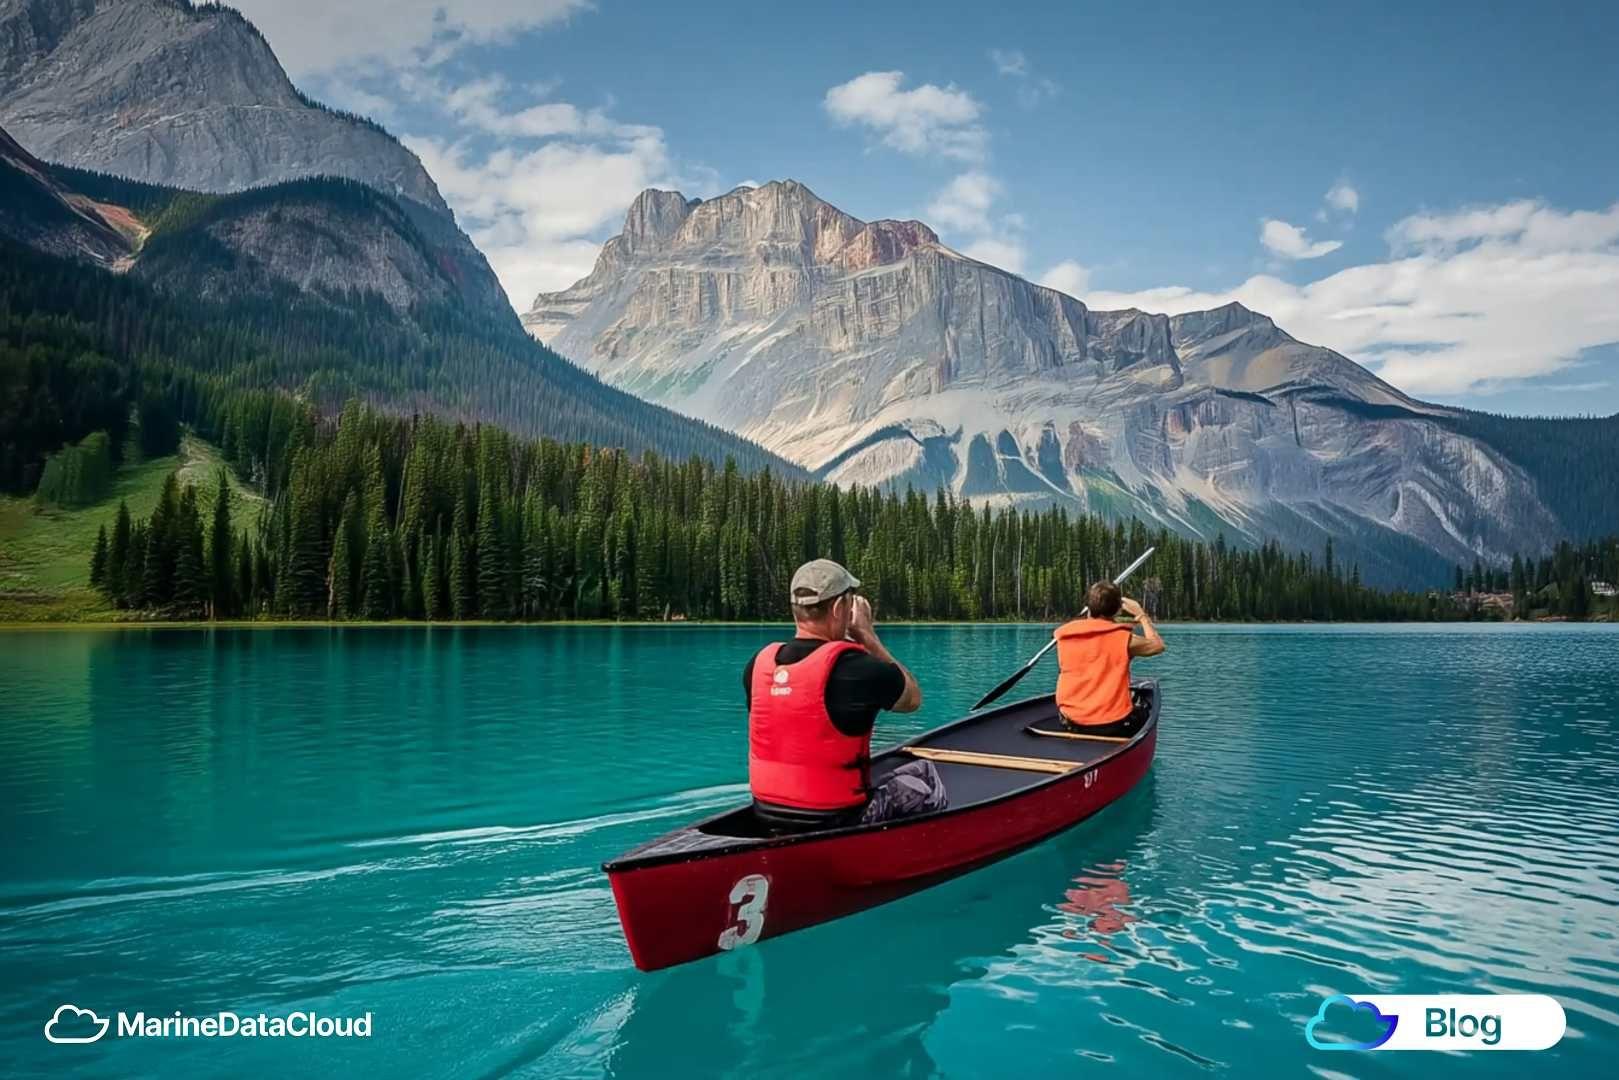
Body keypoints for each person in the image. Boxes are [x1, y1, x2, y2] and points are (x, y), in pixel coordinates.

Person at [744, 558, 947, 829]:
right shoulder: (858, 669)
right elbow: (912, 699)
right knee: (925, 774)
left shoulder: (758, 666)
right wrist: (868, 636)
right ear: (840, 607)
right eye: (849, 600)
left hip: (766, 812)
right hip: (838, 819)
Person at [1053, 580, 1165, 736]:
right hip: (1110, 724)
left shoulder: (1064, 636)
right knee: (1144, 711)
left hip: (1069, 719)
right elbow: (1158, 645)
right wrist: (1141, 616)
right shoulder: (1125, 640)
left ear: (1087, 606)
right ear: (1118, 610)